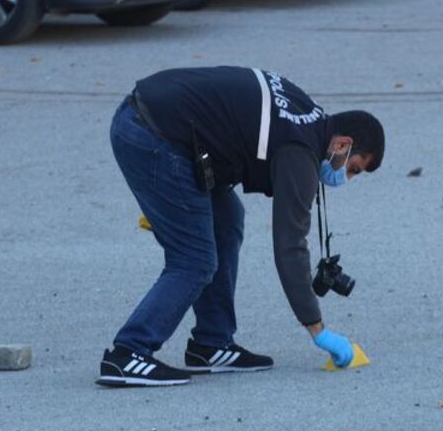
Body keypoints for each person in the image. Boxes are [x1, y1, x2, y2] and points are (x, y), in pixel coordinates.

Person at [98, 66, 385, 387]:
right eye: (353, 169)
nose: (345, 177)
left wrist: (163, 206)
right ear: (342, 144)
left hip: (162, 123)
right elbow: (290, 245)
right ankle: (128, 352)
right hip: (154, 135)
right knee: (195, 259)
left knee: (227, 220)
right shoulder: (299, 152)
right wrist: (318, 330)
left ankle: (212, 343)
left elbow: (233, 131)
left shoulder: (309, 118)